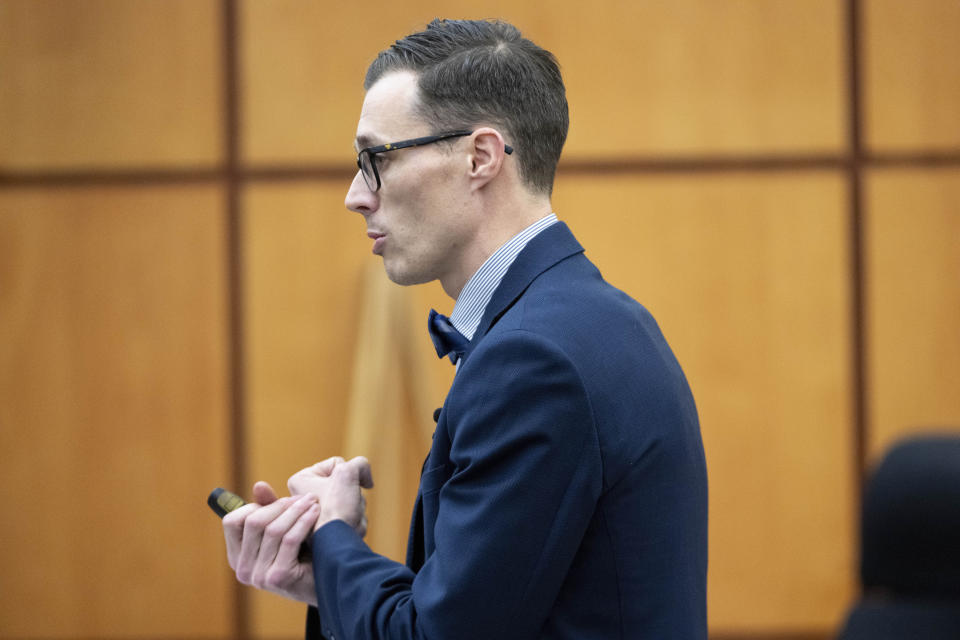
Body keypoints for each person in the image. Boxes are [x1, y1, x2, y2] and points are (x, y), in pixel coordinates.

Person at [222, 18, 708, 639]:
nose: (355, 196)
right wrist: (329, 578)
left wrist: (334, 538)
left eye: (376, 160)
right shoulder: (605, 319)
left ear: (480, 157)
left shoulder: (535, 361)